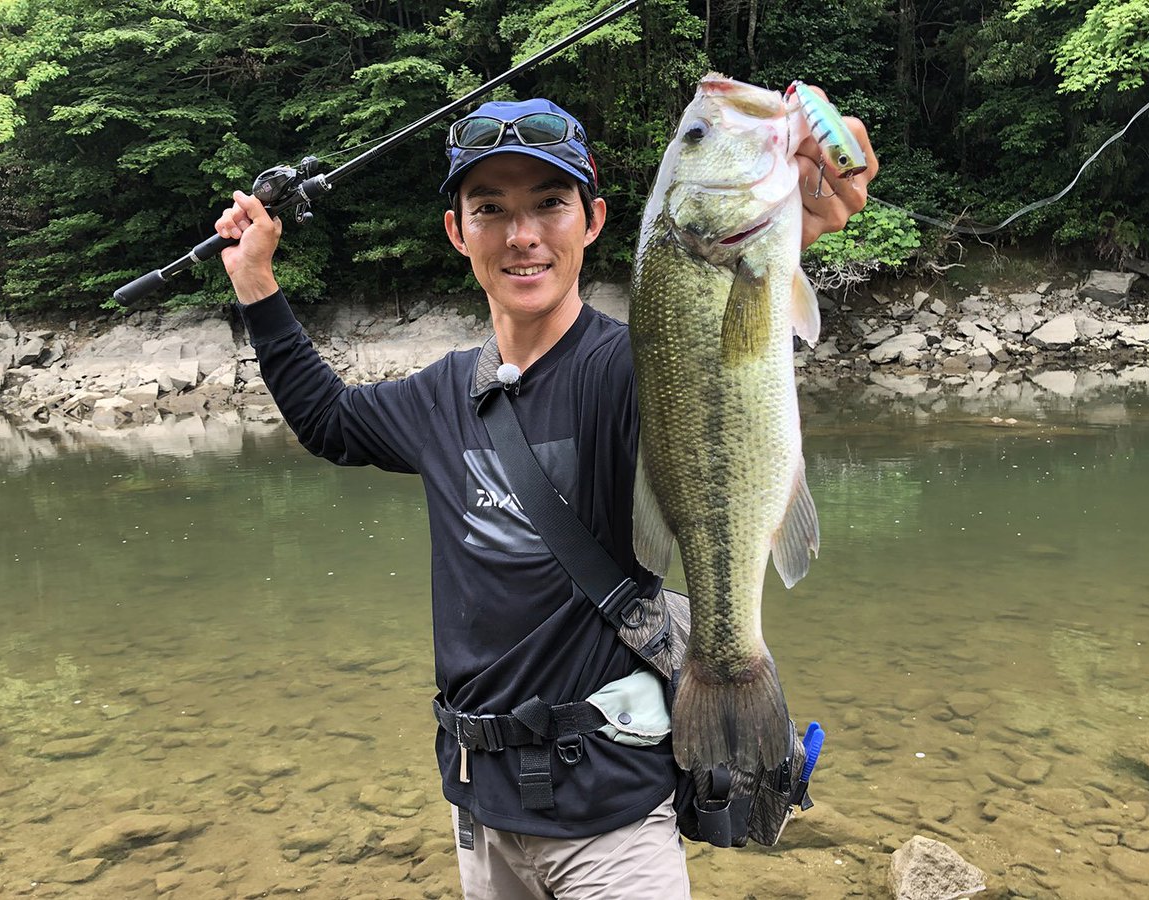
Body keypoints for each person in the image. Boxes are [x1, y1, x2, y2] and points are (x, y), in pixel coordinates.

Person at [215, 90, 876, 900]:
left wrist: (787, 229)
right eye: (490, 208)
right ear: (459, 232)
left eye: (550, 204)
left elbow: (717, 356)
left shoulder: (631, 367)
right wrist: (255, 282)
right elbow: (328, 420)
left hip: (615, 825)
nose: (522, 235)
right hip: (480, 814)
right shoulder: (438, 396)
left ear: (592, 221)